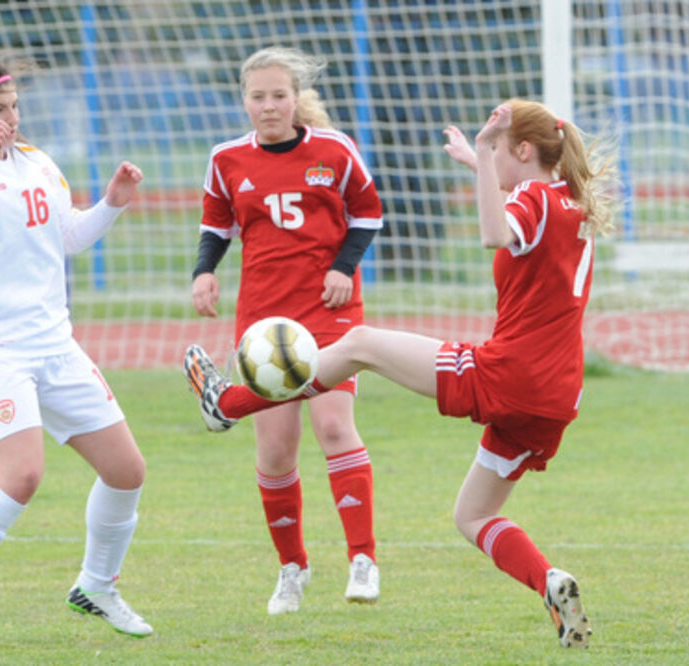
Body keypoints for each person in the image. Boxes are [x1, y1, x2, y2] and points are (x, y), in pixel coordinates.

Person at [185, 98, 617, 648]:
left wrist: (484, 151)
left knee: (360, 342)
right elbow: (522, 203)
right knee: (473, 515)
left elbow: (496, 231)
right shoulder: (569, 201)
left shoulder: (529, 197)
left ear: (523, 151)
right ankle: (549, 582)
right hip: (558, 396)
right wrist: (478, 159)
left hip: (509, 375)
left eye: (502, 153)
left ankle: (227, 406)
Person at [0, 55, 152, 650]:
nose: (12, 118)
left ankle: (96, 586)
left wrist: (113, 202)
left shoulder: (40, 161)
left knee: (127, 472)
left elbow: (67, 238)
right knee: (22, 474)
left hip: (54, 343)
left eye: (16, 106)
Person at [187, 47, 384, 615]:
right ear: (244, 100)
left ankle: (362, 559)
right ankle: (292, 569)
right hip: (264, 318)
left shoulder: (334, 150)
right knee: (275, 449)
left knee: (333, 424)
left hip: (329, 307)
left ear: (295, 99)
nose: (268, 105)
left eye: (279, 95)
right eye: (258, 96)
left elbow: (367, 213)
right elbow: (215, 226)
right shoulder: (226, 159)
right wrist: (204, 273)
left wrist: (343, 268)